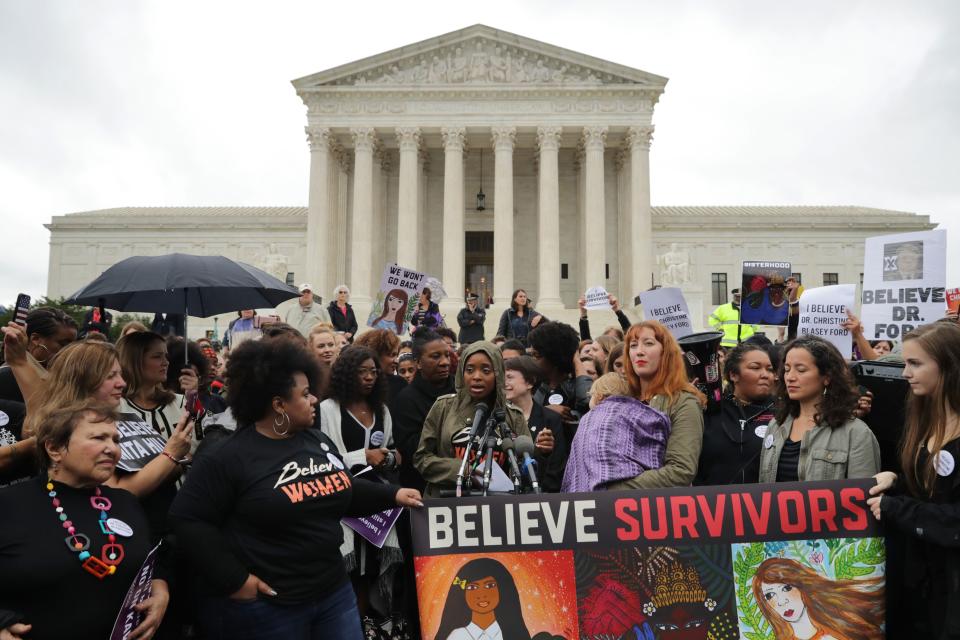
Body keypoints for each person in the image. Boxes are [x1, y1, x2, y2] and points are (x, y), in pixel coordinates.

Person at [168, 339, 423, 640]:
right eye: (304, 394)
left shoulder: (317, 442)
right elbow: (187, 520)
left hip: (333, 595)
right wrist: (235, 580)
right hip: (269, 606)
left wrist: (392, 495)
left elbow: (341, 489)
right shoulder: (226, 456)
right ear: (278, 405)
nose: (315, 399)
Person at [0, 402, 170, 640]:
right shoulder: (9, 504)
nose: (112, 449)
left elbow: (151, 557)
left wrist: (160, 590)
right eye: (99, 438)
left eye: (115, 440)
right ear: (55, 448)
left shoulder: (125, 502)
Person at [866, 321, 960, 637]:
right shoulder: (923, 421)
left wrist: (897, 509)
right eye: (906, 362)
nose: (905, 373)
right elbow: (933, 494)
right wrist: (899, 481)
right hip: (925, 583)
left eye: (915, 363)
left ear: (949, 365)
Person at [319, 346, 403, 634]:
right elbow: (322, 458)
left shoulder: (382, 410)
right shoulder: (328, 409)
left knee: (375, 569)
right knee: (351, 570)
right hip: (343, 502)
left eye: (373, 372)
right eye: (362, 371)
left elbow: (390, 449)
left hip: (378, 504)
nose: (369, 377)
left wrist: (391, 457)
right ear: (345, 373)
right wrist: (362, 457)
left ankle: (372, 624)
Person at [414, 341, 528, 497]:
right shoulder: (443, 407)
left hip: (497, 507)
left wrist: (540, 453)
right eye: (469, 370)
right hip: (447, 504)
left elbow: (526, 469)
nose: (476, 377)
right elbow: (422, 459)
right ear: (462, 373)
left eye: (486, 370)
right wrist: (461, 470)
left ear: (498, 374)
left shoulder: (514, 416)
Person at [759, 335, 880, 483]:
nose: (790, 377)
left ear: (827, 376)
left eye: (801, 370)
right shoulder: (775, 425)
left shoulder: (856, 433)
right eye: (786, 369)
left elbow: (863, 497)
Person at [605, 321, 706, 490]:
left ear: (666, 353)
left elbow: (681, 471)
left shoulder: (684, 401)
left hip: (661, 508)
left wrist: (617, 489)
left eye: (649, 343)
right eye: (633, 345)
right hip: (613, 509)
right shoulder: (619, 399)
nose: (639, 352)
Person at [563, 372, 671, 493]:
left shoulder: (588, 418)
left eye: (591, 396)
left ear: (599, 396)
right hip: (637, 489)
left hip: (594, 496)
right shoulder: (642, 414)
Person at [695, 343, 776, 486]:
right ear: (733, 375)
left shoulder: (783, 414)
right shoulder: (710, 410)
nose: (765, 375)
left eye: (769, 369)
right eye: (755, 367)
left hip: (762, 505)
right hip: (709, 504)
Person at [752, 558, 884, 640]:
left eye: (787, 588)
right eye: (769, 596)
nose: (781, 601)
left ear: (802, 586)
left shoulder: (839, 625)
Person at [503, 356, 563, 492]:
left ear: (530, 382)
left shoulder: (550, 419)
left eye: (509, 377)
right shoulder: (498, 418)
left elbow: (556, 466)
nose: (503, 383)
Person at [433, 558, 532, 640]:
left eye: (490, 585)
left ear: (502, 589)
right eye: (472, 587)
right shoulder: (455, 637)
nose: (482, 595)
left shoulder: (513, 634)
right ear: (462, 593)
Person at [526, 322, 592, 442]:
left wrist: (576, 360)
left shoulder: (576, 387)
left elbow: (589, 403)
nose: (532, 361)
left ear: (554, 357)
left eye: (536, 356)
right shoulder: (532, 387)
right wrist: (545, 411)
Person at [0, 307, 78, 403]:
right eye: (63, 344)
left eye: (73, 345)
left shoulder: (65, 377)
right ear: (35, 339)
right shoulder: (7, 377)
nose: (71, 350)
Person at [354, 328, 406, 401]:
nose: (397, 361)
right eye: (392, 355)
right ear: (375, 354)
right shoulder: (354, 383)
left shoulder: (399, 384)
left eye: (397, 355)